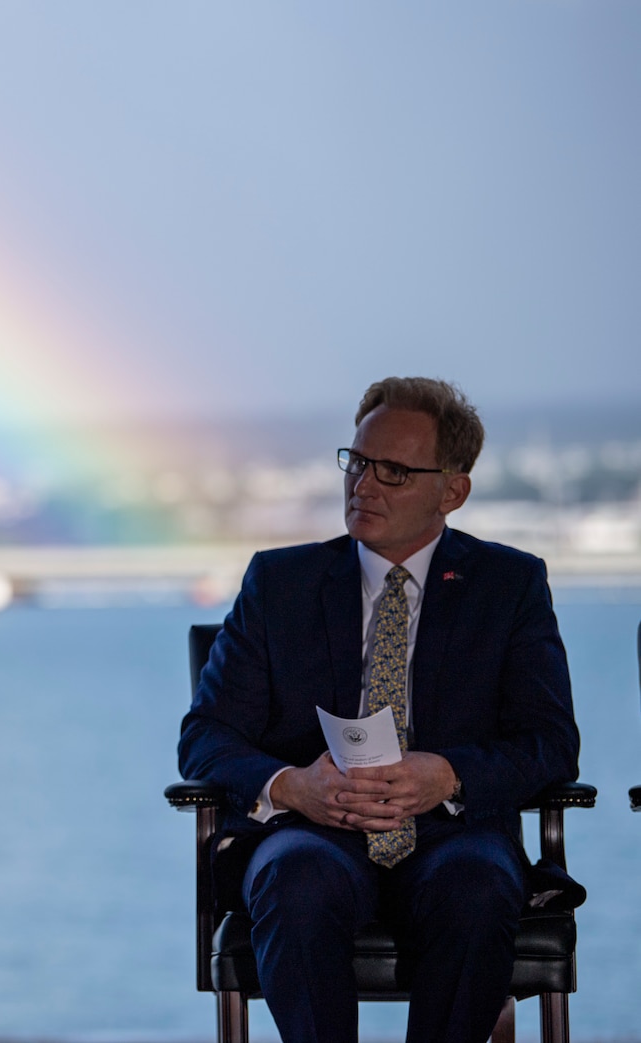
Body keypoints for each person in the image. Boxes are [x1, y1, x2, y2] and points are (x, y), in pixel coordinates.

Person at [177, 377, 579, 1043]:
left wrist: (447, 774)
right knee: (293, 877)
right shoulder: (279, 584)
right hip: (314, 832)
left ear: (452, 490)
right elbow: (207, 736)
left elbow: (549, 743)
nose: (364, 485)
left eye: (393, 471)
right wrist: (291, 786)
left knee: (477, 888)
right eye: (357, 462)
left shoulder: (509, 585)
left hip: (456, 834)